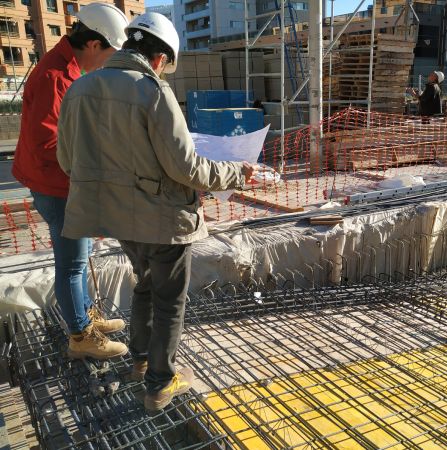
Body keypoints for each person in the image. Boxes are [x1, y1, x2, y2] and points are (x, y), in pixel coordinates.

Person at [56, 12, 262, 411]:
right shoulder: (152, 91)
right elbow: (185, 168)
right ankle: (159, 384)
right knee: (169, 300)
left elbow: (68, 161)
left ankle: (140, 361)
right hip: (164, 222)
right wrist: (237, 173)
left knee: (145, 285)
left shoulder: (79, 90)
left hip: (117, 220)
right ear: (160, 58)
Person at [12, 3, 130, 360]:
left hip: (60, 182)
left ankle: (85, 320)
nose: (108, 61)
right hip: (56, 186)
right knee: (72, 263)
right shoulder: (55, 76)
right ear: (94, 44)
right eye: (110, 52)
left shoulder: (67, 68)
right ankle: (80, 336)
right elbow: (47, 143)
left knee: (80, 257)